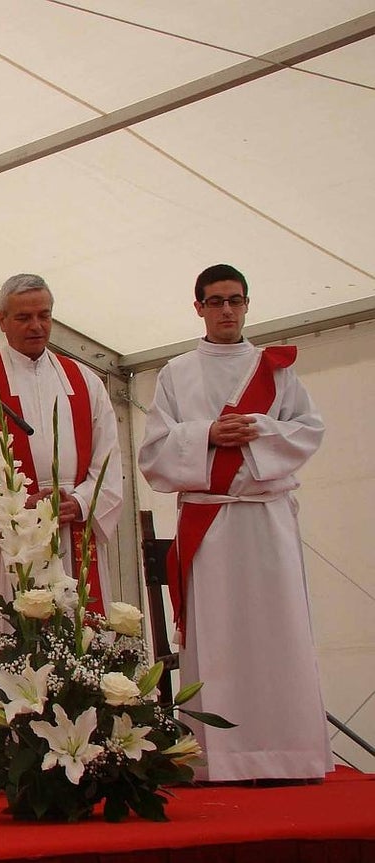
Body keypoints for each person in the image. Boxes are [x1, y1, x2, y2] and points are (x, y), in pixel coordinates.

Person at [138, 263, 331, 783]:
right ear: (197, 306)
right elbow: (153, 452)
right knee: (218, 640)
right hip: (213, 524)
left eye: (236, 300)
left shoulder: (276, 370)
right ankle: (219, 758)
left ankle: (290, 753)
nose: (227, 310)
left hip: (266, 519)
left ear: (247, 305)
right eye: (216, 300)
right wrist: (205, 435)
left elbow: (309, 432)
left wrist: (259, 428)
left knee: (280, 632)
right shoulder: (176, 373)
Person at [0, 274, 122, 610]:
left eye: (44, 315)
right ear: (1, 320)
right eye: (24, 318)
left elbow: (108, 457)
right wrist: (21, 504)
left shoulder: (85, 380)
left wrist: (82, 502)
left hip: (73, 525)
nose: (36, 326)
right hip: (17, 529)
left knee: (80, 626)